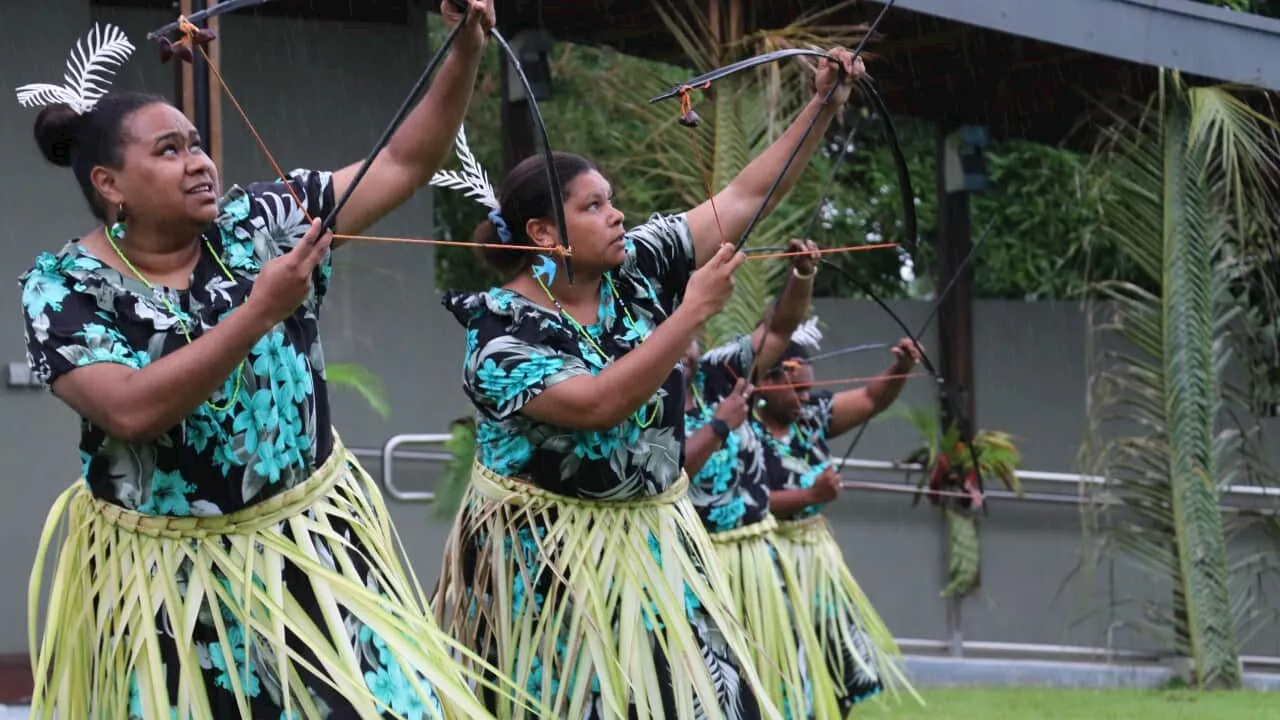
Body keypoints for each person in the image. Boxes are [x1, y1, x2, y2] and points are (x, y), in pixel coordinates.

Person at [17, 7, 517, 719]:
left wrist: (465, 42)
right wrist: (258, 310)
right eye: (168, 151)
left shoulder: (261, 222)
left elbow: (407, 160)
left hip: (312, 556)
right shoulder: (63, 284)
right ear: (110, 184)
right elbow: (128, 408)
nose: (199, 161)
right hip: (173, 589)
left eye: (195, 144)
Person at [431, 47, 864, 719]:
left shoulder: (634, 267)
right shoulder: (499, 336)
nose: (616, 215)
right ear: (545, 233)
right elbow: (599, 404)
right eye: (594, 205)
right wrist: (692, 309)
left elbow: (747, 196)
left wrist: (821, 106)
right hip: (547, 570)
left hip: (658, 548)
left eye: (613, 200)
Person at [681, 258, 839, 718]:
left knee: (782, 680)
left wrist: (801, 278)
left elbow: (777, 330)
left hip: (758, 558)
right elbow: (664, 476)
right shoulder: (643, 397)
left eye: (688, 338)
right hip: (701, 569)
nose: (685, 351)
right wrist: (719, 426)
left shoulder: (718, 373)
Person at [752, 328, 924, 715]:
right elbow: (739, 501)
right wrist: (809, 496)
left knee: (834, 670)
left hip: (816, 566)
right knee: (781, 669)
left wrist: (900, 367)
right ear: (767, 380)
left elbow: (869, 398)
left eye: (808, 389)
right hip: (766, 565)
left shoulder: (809, 418)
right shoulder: (738, 428)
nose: (805, 397)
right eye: (797, 389)